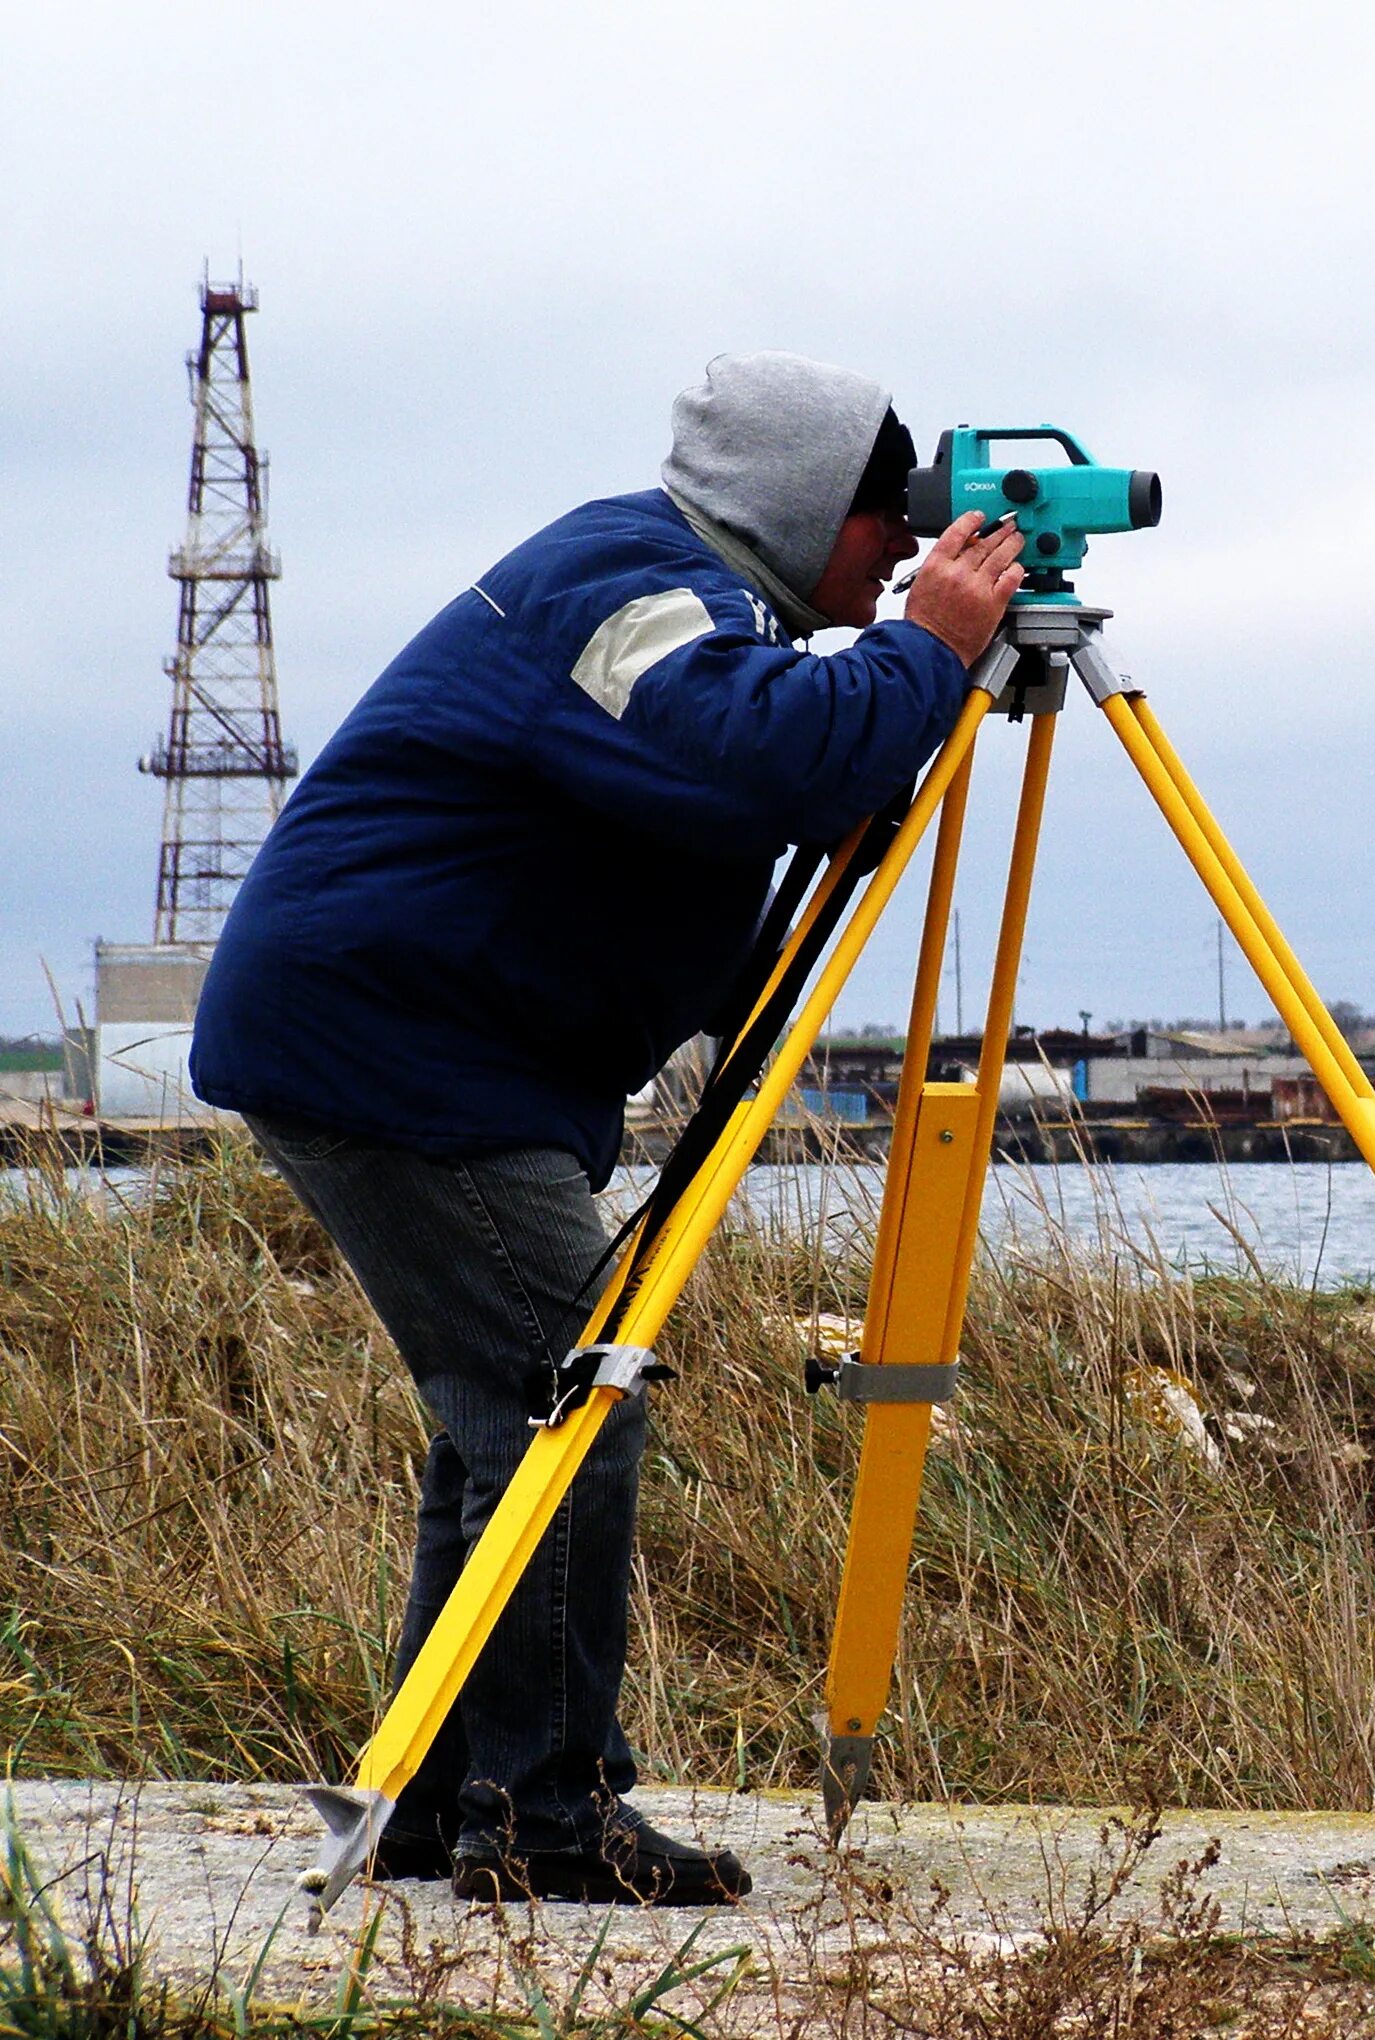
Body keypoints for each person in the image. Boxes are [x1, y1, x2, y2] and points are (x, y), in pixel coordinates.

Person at [192, 352, 1023, 1905]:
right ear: (795, 501)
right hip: (394, 1053)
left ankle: (447, 1795)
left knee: (506, 1417)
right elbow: (758, 747)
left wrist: (877, 707)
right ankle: (548, 1813)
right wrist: (930, 656)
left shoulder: (700, 606)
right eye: (880, 517)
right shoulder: (630, 590)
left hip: (422, 1048)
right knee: (569, 1400)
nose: (902, 550)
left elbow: (736, 781)